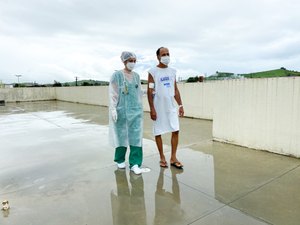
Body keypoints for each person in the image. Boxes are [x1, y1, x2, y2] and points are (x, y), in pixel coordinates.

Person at [147, 47, 184, 169]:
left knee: (176, 129)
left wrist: (180, 105)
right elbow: (150, 90)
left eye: (168, 54)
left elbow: (175, 90)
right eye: (163, 54)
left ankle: (173, 157)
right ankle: (162, 157)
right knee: (158, 132)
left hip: (171, 106)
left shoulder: (172, 71)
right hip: (158, 106)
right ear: (158, 57)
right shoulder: (153, 72)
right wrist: (152, 108)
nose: (166, 56)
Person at [109, 51, 143, 175]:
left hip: (135, 111)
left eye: (134, 61)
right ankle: (120, 159)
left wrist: (148, 92)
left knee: (136, 137)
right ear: (124, 61)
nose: (132, 63)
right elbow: (113, 93)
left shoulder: (136, 76)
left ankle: (135, 163)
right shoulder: (117, 75)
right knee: (121, 134)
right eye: (130, 60)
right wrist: (113, 109)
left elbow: (139, 92)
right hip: (121, 110)